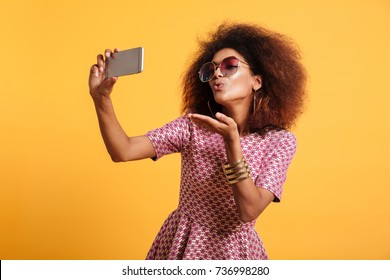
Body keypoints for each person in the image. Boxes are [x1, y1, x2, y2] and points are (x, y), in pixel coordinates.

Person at [88, 22, 307, 260]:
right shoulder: (193, 126)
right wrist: (102, 100)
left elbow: (249, 211)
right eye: (210, 69)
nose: (217, 74)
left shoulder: (280, 142)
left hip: (236, 253)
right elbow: (123, 151)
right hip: (183, 243)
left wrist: (232, 143)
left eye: (230, 66)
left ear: (257, 81)